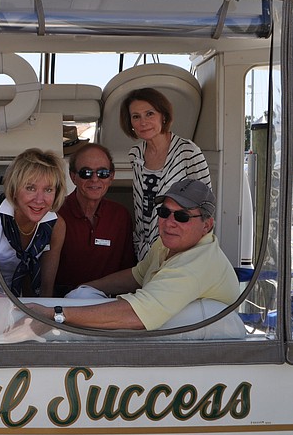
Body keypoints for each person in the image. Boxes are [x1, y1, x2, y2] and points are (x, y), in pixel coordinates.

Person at [30, 179, 238, 330]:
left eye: (182, 216)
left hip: (203, 355)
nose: (169, 222)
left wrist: (55, 314)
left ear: (206, 225)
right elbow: (136, 275)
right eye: (164, 213)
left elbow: (135, 315)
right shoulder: (168, 244)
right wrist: (86, 288)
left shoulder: (195, 266)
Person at [121, 87, 211, 260]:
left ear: (163, 116)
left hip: (181, 248)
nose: (143, 122)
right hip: (144, 248)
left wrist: (199, 252)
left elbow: (206, 205)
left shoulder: (188, 151)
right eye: (136, 116)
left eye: (149, 114)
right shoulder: (135, 154)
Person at [54, 143, 135, 296]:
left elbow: (129, 270)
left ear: (111, 177)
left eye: (102, 173)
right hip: (61, 302)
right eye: (86, 173)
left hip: (106, 304)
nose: (95, 179)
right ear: (73, 177)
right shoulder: (55, 213)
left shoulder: (121, 216)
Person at [0, 148, 67, 297]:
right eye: (30, 188)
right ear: (14, 188)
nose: (39, 200)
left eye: (48, 190)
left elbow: (46, 288)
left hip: (26, 304)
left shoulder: (56, 225)